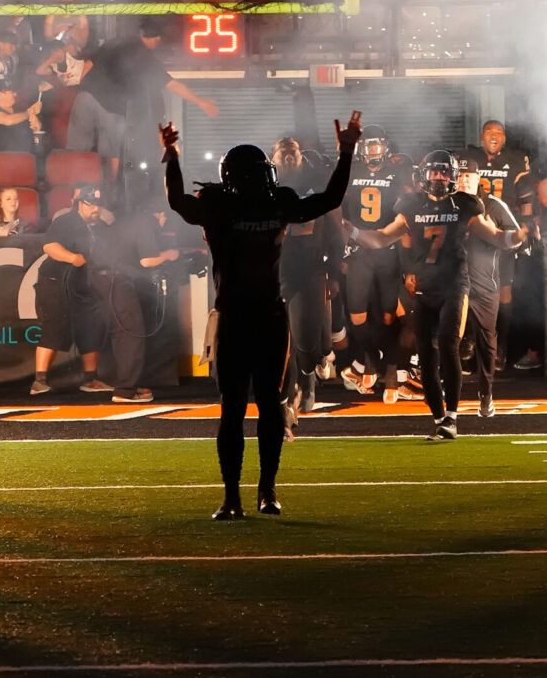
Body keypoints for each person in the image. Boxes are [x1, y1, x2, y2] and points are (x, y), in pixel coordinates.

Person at [162, 113, 364, 518]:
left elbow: (176, 200)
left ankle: (248, 494)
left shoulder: (224, 205)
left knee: (249, 407)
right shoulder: (254, 204)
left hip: (252, 315)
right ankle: (247, 494)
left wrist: (172, 155)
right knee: (245, 406)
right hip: (250, 315)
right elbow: (328, 200)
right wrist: (345, 153)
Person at [350, 150, 528, 441]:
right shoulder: (411, 204)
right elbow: (382, 237)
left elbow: (495, 236)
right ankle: (439, 419)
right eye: (434, 171)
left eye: (444, 172)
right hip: (424, 289)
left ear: (453, 176)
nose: (438, 176)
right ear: (423, 175)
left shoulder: (465, 204)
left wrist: (514, 238)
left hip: (454, 285)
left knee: (448, 347)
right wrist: (352, 231)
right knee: (427, 355)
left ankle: (453, 417)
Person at [31, 185, 152, 402]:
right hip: (56, 281)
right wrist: (72, 257)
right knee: (55, 326)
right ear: (80, 203)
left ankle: (90, 379)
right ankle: (40, 380)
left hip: (85, 283)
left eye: (98, 204)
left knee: (92, 326)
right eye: (91, 204)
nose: (95, 208)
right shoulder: (66, 221)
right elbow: (49, 247)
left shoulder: (100, 226)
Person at [66, 16, 218, 185]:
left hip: (85, 98)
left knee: (76, 149)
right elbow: (172, 85)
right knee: (114, 153)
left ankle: (73, 187)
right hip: (108, 107)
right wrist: (200, 101)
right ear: (155, 39)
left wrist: (84, 85)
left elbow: (88, 64)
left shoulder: (116, 42)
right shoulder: (146, 58)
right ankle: (113, 190)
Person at [272, 138, 340, 423]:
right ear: (273, 158)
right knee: (282, 339)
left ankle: (310, 374)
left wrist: (334, 269)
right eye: (283, 152)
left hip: (311, 267)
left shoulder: (315, 179)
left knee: (309, 335)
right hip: (280, 269)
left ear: (301, 155)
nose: (288, 157)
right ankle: (292, 391)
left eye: (293, 152)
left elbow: (333, 223)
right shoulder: (268, 187)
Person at [340, 134, 406, 399]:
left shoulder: (397, 174)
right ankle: (371, 359)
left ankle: (391, 367)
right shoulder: (351, 172)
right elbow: (338, 209)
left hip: (388, 252)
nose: (373, 151)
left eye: (377, 146)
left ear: (386, 148)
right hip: (359, 252)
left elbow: (406, 212)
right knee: (357, 314)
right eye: (369, 146)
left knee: (388, 314)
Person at [459, 158, 522, 421]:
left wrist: (494, 233)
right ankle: (447, 392)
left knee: (487, 340)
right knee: (446, 336)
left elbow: (515, 236)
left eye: (468, 176)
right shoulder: (447, 203)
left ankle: (486, 394)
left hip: (485, 281)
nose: (463, 180)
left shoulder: (493, 204)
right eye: (460, 176)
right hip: (454, 280)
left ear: (478, 178)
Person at [0, 83, 43, 155]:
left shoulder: (19, 112)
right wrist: (30, 112)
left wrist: (37, 130)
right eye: (12, 91)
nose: (15, 94)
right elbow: (8, 121)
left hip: (22, 160)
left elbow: (36, 146)